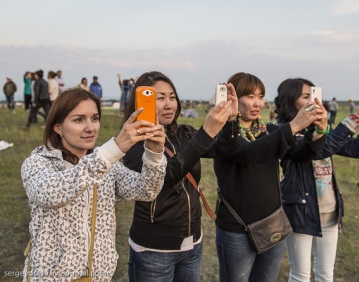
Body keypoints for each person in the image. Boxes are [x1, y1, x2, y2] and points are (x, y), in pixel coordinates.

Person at [21, 88, 167, 281]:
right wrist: (113, 149)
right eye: (79, 119)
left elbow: (146, 190)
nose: (90, 128)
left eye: (95, 118)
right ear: (58, 127)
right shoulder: (37, 162)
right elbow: (50, 195)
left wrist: (154, 153)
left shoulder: (108, 164)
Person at [123, 71, 238, 282]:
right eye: (159, 98)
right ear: (141, 102)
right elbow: (162, 180)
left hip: (193, 243)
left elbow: (225, 150)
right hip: (153, 250)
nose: (168, 105)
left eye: (172, 97)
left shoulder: (184, 133)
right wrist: (206, 132)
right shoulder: (133, 143)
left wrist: (230, 122)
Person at [214, 72, 327, 282]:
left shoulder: (269, 131)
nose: (257, 103)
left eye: (260, 96)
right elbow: (247, 153)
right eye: (249, 96)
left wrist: (320, 131)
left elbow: (303, 153)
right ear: (233, 99)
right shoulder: (224, 135)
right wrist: (293, 126)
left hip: (272, 224)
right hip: (237, 228)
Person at [274, 78, 359, 282]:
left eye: (314, 96)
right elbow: (319, 150)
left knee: (326, 274)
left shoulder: (321, 126)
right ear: (290, 101)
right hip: (300, 211)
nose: (314, 101)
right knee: (301, 276)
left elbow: (357, 148)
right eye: (306, 97)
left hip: (330, 211)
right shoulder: (283, 132)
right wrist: (356, 116)